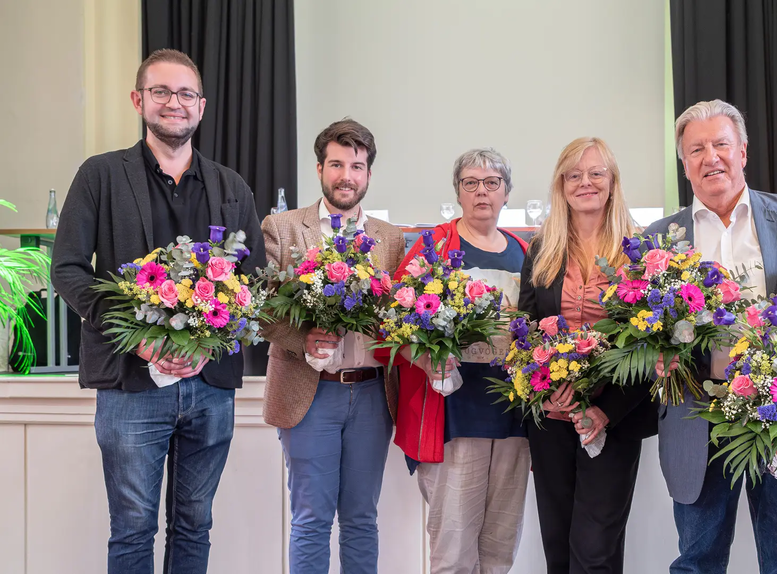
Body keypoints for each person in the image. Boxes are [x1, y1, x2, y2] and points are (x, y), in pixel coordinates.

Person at [51, 49, 266, 573]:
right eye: (162, 92)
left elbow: (254, 282)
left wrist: (210, 342)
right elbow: (69, 269)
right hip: (129, 383)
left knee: (195, 524)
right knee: (131, 528)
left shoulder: (231, 186)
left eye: (186, 94)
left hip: (210, 383)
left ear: (202, 106)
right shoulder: (100, 175)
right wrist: (139, 338)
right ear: (138, 100)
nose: (175, 103)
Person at [644, 99, 777, 574]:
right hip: (695, 415)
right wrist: (658, 356)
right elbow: (643, 332)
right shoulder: (659, 237)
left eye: (721, 144)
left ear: (743, 151)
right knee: (697, 560)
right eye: (697, 149)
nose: (711, 157)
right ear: (684, 165)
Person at [260, 119, 405, 574]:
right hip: (310, 392)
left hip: (371, 395)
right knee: (311, 519)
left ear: (368, 174)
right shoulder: (282, 228)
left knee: (362, 519)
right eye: (338, 164)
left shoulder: (392, 238)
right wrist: (303, 337)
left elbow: (400, 316)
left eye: (357, 166)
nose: (347, 175)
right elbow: (261, 309)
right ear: (320, 168)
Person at [385, 148, 530, 574]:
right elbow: (392, 327)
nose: (481, 191)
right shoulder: (434, 248)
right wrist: (427, 359)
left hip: (513, 420)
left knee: (501, 548)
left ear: (506, 193)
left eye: (491, 183)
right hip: (453, 417)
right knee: (453, 550)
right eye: (471, 183)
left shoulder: (525, 252)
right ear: (458, 193)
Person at [518, 137, 657, 574]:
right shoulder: (542, 249)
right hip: (552, 417)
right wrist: (545, 392)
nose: (585, 183)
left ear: (612, 183)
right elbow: (524, 329)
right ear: (561, 186)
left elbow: (651, 343)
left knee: (595, 548)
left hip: (613, 417)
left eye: (596, 173)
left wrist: (603, 411)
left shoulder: (640, 251)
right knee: (557, 544)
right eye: (573, 175)